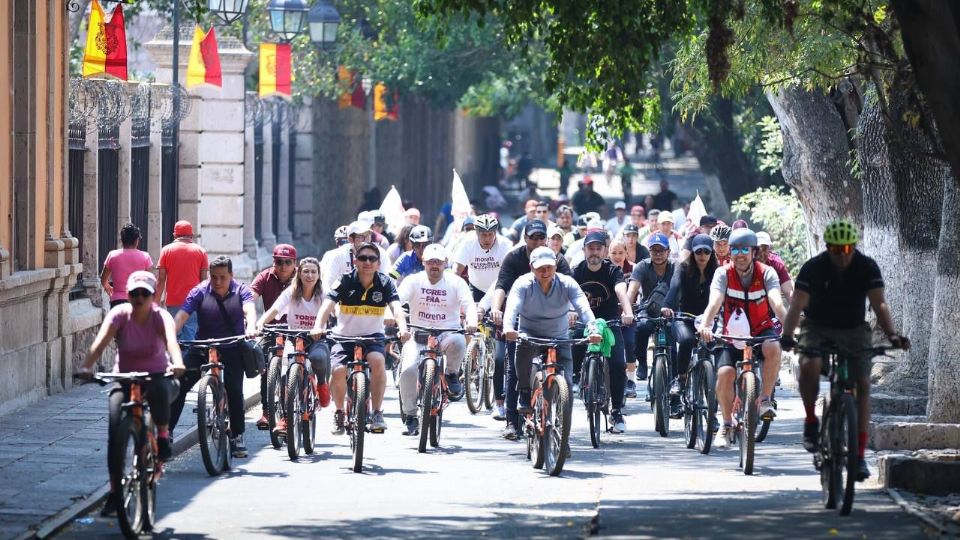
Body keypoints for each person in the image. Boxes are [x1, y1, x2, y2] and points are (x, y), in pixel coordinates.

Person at [780, 219, 909, 481]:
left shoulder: (866, 266)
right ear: (828, 247)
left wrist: (893, 335)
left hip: (853, 329)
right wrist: (786, 335)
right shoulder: (814, 268)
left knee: (862, 385)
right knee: (809, 365)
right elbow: (796, 306)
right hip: (817, 326)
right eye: (836, 249)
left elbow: (879, 304)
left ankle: (859, 456)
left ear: (853, 247)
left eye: (847, 249)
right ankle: (810, 420)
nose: (842, 255)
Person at [78, 271, 184, 516]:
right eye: (134, 293)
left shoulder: (160, 317)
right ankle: (115, 492)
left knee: (158, 391)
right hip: (124, 377)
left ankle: (164, 437)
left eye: (144, 293)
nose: (139, 298)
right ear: (127, 295)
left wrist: (177, 363)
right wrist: (86, 366)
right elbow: (100, 342)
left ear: (153, 295)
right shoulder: (119, 315)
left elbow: (171, 341)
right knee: (115, 429)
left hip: (156, 375)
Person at [697, 229, 788, 450]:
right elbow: (715, 301)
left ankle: (765, 399)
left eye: (744, 250)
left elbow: (777, 303)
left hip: (760, 329)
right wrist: (706, 325)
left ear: (753, 252)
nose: (739, 254)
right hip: (731, 334)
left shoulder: (767, 273)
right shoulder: (723, 274)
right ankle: (726, 424)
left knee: (774, 347)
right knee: (725, 374)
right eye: (735, 249)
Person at [502, 247, 601, 441]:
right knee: (521, 349)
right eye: (540, 268)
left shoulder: (567, 283)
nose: (545, 272)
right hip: (530, 336)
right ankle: (524, 391)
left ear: (555, 266)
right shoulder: (523, 284)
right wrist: (508, 328)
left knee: (568, 389)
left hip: (560, 338)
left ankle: (563, 437)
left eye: (549, 267)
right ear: (531, 268)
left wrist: (593, 328)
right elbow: (512, 307)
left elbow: (583, 306)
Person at [312, 243, 409, 434]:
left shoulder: (385, 282)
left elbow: (396, 308)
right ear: (355, 261)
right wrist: (318, 326)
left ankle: (377, 413)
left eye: (372, 259)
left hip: (373, 337)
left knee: (378, 360)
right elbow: (327, 305)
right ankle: (339, 413)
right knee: (338, 370)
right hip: (343, 337)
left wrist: (403, 328)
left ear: (378, 263)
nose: (367, 262)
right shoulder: (344, 280)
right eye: (363, 258)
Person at [171, 256, 260, 458]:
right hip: (203, 345)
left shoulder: (241, 291)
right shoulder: (200, 291)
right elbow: (182, 316)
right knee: (179, 383)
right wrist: (172, 336)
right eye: (213, 277)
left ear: (231, 276)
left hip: (232, 346)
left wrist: (252, 327)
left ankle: (238, 436)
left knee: (235, 390)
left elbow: (249, 310)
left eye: (222, 277)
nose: (217, 282)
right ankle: (167, 432)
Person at [397, 244, 478, 435]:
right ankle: (410, 414)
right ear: (423, 262)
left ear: (445, 263)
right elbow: (396, 301)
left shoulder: (456, 282)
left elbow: (469, 304)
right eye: (431, 262)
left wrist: (472, 322)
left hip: (446, 333)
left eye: (439, 262)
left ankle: (451, 374)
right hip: (418, 335)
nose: (435, 265)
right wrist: (391, 316)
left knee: (459, 341)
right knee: (408, 370)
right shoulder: (413, 280)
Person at [255, 257, 331, 434]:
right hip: (293, 337)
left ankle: (321, 384)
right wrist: (260, 323)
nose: (309, 275)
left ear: (319, 275)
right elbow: (275, 309)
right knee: (284, 371)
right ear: (299, 273)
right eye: (306, 271)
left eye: (313, 272)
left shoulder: (324, 292)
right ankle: (284, 418)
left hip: (316, 339)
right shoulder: (292, 291)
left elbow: (334, 309)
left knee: (318, 358)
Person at [572, 233, 635, 433]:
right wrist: (570, 312)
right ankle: (576, 378)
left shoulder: (612, 270)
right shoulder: (576, 272)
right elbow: (568, 294)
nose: (594, 252)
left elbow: (620, 290)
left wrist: (628, 311)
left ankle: (616, 411)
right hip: (584, 323)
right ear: (584, 251)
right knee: (573, 343)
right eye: (590, 248)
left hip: (609, 324)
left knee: (617, 364)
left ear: (605, 251)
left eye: (599, 248)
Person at [661, 234, 719, 417]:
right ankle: (681, 379)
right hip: (684, 318)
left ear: (711, 254)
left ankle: (712, 413)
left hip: (708, 321)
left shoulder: (717, 272)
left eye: (706, 252)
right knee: (686, 341)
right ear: (692, 253)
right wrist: (667, 306)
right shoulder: (683, 269)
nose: (702, 255)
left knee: (716, 353)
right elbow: (674, 288)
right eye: (698, 251)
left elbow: (723, 295)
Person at [251, 243, 298, 429]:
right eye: (279, 262)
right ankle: (266, 412)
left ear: (295, 263)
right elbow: (250, 297)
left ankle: (296, 405)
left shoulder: (302, 278)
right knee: (264, 367)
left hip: (296, 330)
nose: (284, 266)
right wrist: (248, 318)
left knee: (297, 365)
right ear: (273, 262)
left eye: (288, 262)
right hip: (271, 329)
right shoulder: (265, 276)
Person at [626, 232, 676, 394]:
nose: (658, 254)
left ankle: (675, 380)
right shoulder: (642, 266)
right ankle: (641, 362)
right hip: (648, 310)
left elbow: (682, 287)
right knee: (640, 328)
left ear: (668, 251)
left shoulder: (676, 267)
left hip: (671, 311)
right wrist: (627, 310)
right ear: (649, 252)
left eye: (661, 250)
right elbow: (632, 289)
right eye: (654, 251)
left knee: (673, 340)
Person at [156, 220, 209, 341]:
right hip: (194, 303)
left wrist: (156, 303)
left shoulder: (166, 250)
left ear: (174, 235)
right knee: (190, 338)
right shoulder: (201, 252)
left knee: (174, 339)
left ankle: (178, 359)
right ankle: (187, 360)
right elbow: (204, 282)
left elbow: (161, 279)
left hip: (173, 303)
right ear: (191, 235)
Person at [453, 214, 512, 302]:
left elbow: (508, 273)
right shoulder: (467, 242)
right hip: (477, 288)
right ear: (476, 232)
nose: (487, 239)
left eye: (490, 234)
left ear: (495, 232)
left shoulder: (505, 245)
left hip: (500, 289)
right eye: (483, 235)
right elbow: (457, 271)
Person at [322, 221, 391, 293]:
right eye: (361, 237)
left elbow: (388, 280)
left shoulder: (381, 253)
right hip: (345, 299)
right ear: (351, 239)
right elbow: (327, 283)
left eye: (368, 236)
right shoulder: (338, 255)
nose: (366, 240)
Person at [101, 223, 154, 308]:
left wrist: (108, 288)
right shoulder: (145, 257)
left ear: (122, 240)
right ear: (136, 240)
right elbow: (149, 282)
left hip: (117, 301)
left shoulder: (112, 255)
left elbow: (103, 279)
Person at [756, 231, 795, 304]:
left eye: (764, 249)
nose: (761, 254)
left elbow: (788, 291)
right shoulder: (747, 264)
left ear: (769, 249)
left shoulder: (776, 263)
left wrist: (796, 311)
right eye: (758, 249)